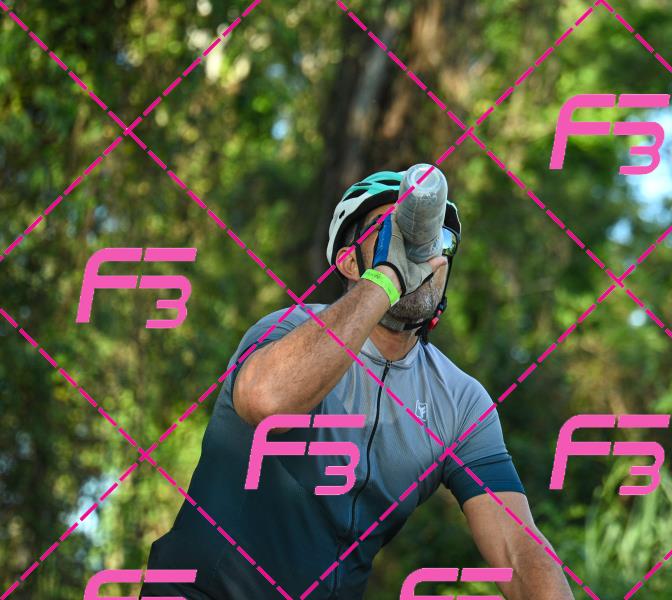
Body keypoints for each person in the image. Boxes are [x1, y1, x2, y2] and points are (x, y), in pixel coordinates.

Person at [142, 170, 574, 599]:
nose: (419, 251)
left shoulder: (460, 403)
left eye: (435, 240)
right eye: (392, 232)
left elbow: (517, 549)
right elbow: (266, 401)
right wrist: (386, 279)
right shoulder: (289, 330)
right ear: (350, 262)